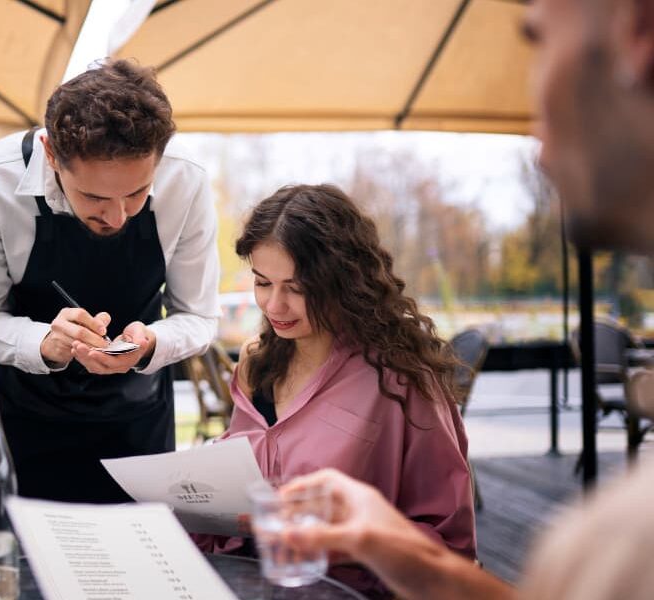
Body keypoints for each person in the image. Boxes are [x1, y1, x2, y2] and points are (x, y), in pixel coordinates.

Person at [273, 0, 654, 598]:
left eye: (537, 43)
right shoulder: (617, 538)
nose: (536, 140)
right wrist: (404, 555)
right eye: (263, 283)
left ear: (640, 31)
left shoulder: (621, 543)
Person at [0, 59, 220, 503]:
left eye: (137, 193)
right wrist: (44, 342)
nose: (117, 217)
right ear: (50, 154)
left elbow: (200, 316)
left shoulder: (186, 179)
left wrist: (151, 342)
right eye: (94, 197)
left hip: (139, 421)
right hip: (23, 424)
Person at [197, 184, 475, 597]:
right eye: (262, 282)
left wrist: (346, 542)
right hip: (245, 582)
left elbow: (449, 542)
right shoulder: (257, 364)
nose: (274, 306)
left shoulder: (401, 378)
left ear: (343, 280)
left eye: (297, 288)